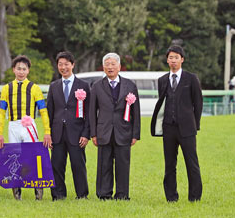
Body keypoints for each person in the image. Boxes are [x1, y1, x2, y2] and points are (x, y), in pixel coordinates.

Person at [151, 45, 203, 202]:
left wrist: (195, 125)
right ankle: (171, 197)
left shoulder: (191, 79)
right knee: (169, 165)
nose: (173, 60)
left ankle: (194, 197)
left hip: (187, 129)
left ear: (182, 59)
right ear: (167, 60)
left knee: (192, 163)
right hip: (168, 128)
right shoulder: (162, 80)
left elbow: (198, 104)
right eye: (171, 57)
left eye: (176, 57)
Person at [0, 55, 52, 200]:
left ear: (28, 71)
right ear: (14, 69)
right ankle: (17, 192)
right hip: (13, 125)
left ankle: (38, 190)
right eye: (18, 68)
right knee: (15, 157)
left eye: (24, 69)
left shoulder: (35, 88)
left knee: (32, 157)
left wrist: (47, 132)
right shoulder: (7, 88)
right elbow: (1, 112)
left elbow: (43, 111)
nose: (21, 71)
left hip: (29, 125)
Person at [89, 53, 140, 200]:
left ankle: (122, 194)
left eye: (113, 64)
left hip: (124, 131)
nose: (110, 67)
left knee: (123, 165)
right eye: (107, 64)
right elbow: (92, 112)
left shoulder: (130, 85)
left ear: (119, 66)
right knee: (104, 164)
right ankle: (104, 194)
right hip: (103, 132)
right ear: (103, 67)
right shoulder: (97, 86)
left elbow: (136, 112)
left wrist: (135, 134)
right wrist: (93, 134)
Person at [47, 51, 90, 200]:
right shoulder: (54, 86)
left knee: (78, 165)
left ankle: (82, 194)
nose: (63, 67)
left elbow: (89, 113)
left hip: (77, 133)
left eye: (66, 64)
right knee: (57, 165)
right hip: (57, 133)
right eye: (60, 64)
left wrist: (86, 134)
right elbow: (50, 112)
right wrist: (49, 134)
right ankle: (58, 195)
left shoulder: (84, 86)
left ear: (73, 64)